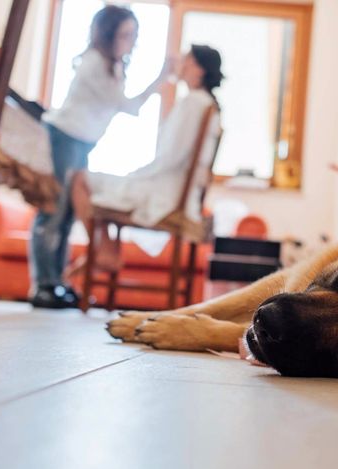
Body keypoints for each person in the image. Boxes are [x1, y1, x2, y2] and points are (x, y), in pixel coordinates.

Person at [29, 5, 167, 309]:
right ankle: (43, 285)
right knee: (53, 210)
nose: (131, 41)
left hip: (82, 143)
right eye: (125, 34)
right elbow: (128, 106)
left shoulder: (113, 66)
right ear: (109, 35)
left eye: (133, 35)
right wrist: (161, 79)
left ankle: (55, 282)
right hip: (64, 137)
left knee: (65, 216)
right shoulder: (94, 63)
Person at [70, 45, 223, 270]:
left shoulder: (194, 103)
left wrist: (135, 176)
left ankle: (104, 250)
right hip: (173, 189)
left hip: (165, 194)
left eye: (186, 60)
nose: (180, 63)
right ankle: (107, 250)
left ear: (199, 69)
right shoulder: (206, 104)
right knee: (94, 182)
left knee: (79, 178)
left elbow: (170, 157)